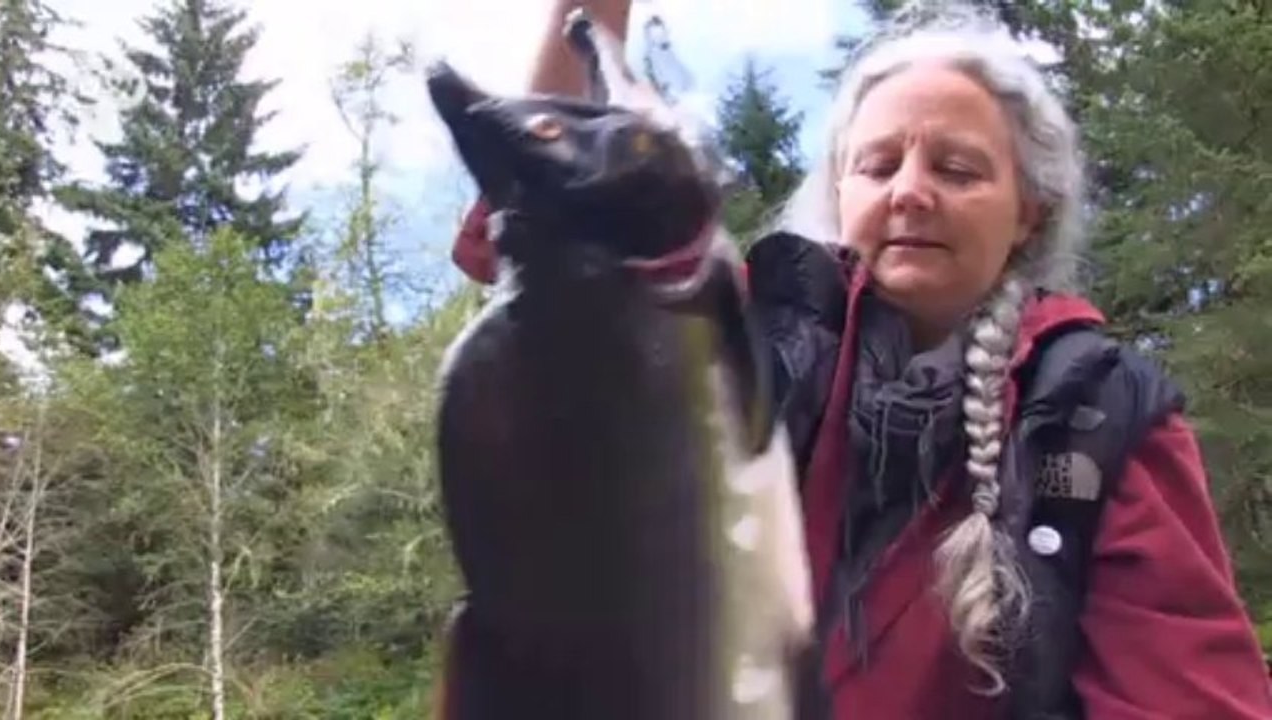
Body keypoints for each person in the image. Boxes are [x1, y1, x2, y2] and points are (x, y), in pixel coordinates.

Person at [445, 1, 1272, 717]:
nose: (908, 191)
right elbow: (560, 234)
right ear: (841, 193)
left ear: (1029, 212)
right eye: (876, 165)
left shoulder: (1095, 414)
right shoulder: (751, 331)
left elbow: (1188, 699)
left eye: (955, 168)